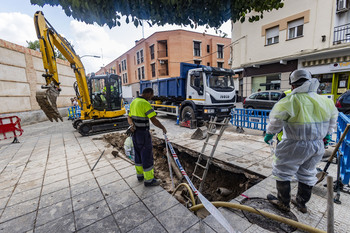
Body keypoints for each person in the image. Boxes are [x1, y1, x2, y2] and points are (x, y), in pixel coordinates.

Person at [264, 69, 338, 213]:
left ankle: (283, 203)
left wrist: (269, 134)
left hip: (294, 144)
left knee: (282, 171)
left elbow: (276, 122)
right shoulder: (325, 101)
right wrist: (327, 135)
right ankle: (301, 203)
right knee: (308, 172)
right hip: (317, 145)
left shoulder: (290, 101)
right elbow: (332, 121)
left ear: (292, 85)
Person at [127, 88, 167, 187]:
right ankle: (149, 180)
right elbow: (153, 120)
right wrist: (162, 128)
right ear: (148, 93)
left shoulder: (134, 102)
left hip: (135, 134)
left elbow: (129, 117)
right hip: (143, 134)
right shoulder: (145, 104)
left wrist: (132, 125)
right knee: (147, 156)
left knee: (138, 154)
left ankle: (140, 176)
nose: (151, 97)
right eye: (151, 95)